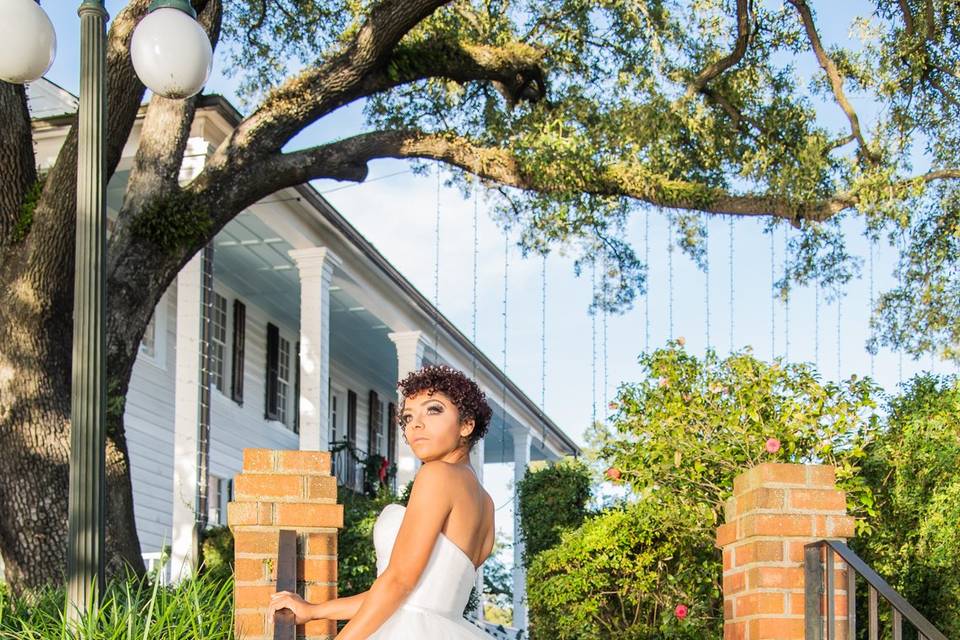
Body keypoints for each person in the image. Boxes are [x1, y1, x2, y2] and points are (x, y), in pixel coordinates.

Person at [268, 364, 496, 639]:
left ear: (467, 424)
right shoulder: (486, 503)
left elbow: (399, 583)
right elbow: (414, 597)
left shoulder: (437, 475)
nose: (416, 424)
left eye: (433, 410)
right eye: (408, 417)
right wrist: (315, 610)